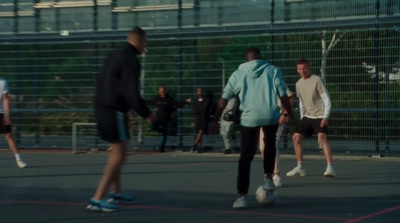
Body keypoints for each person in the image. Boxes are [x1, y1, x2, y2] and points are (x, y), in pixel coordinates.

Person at [210, 47, 293, 209]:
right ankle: (269, 179)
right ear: (260, 58)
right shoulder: (272, 70)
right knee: (269, 145)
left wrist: (214, 119)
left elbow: (224, 98)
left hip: (250, 117)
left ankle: (241, 197)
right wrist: (291, 115)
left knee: (245, 157)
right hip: (270, 115)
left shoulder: (238, 73)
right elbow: (283, 94)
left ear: (246, 60)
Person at [88, 27, 155, 212]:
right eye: (145, 42)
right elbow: (130, 92)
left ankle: (115, 191)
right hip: (113, 109)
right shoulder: (130, 59)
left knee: (121, 149)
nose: (145, 46)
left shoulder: (114, 55)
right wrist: (147, 114)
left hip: (104, 106)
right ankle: (97, 198)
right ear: (139, 41)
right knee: (118, 155)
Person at [286, 59, 335, 178]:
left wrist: (325, 117)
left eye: (305, 68)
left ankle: (330, 168)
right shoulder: (298, 84)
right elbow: (301, 103)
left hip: (320, 115)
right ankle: (300, 167)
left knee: (322, 138)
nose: (303, 71)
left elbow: (327, 100)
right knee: (296, 138)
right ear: (297, 70)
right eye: (300, 69)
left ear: (309, 67)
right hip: (308, 116)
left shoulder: (317, 80)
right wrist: (302, 118)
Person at [259, 85, 294, 187]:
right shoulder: (257, 82)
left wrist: (285, 114)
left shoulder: (276, 80)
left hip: (278, 117)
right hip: (263, 118)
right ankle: (268, 172)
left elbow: (291, 97)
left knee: (272, 143)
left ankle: (276, 174)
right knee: (262, 147)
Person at [146, 86, 191, 152]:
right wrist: (139, 100)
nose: (162, 93)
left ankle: (162, 148)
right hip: (158, 118)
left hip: (166, 119)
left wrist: (185, 101)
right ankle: (165, 131)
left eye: (163, 91)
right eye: (161, 91)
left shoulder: (169, 99)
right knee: (153, 127)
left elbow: (178, 104)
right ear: (159, 92)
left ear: (165, 91)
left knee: (164, 135)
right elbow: (149, 102)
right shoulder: (157, 98)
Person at [0, 78, 27, 168]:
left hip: (0, 113)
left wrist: (6, 115)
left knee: (9, 136)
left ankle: (18, 159)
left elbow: (5, 99)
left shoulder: (3, 82)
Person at [191, 87, 213, 153]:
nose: (200, 92)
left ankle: (194, 145)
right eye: (198, 91)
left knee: (201, 131)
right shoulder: (195, 101)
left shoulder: (207, 100)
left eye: (201, 90)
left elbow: (210, 108)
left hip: (204, 119)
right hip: (198, 119)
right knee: (199, 133)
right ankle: (199, 147)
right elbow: (195, 110)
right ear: (197, 92)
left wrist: (209, 115)